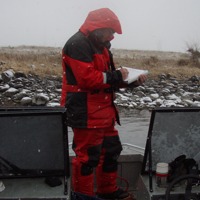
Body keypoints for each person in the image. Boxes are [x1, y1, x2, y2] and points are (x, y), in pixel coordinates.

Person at [60, 8, 147, 200]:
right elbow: (87, 79)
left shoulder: (103, 47)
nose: (112, 36)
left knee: (111, 150)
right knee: (87, 158)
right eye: (110, 31)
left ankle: (107, 191)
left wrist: (130, 82)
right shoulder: (77, 44)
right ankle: (83, 197)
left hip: (104, 112)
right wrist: (117, 76)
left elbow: (108, 80)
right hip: (85, 112)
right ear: (98, 28)